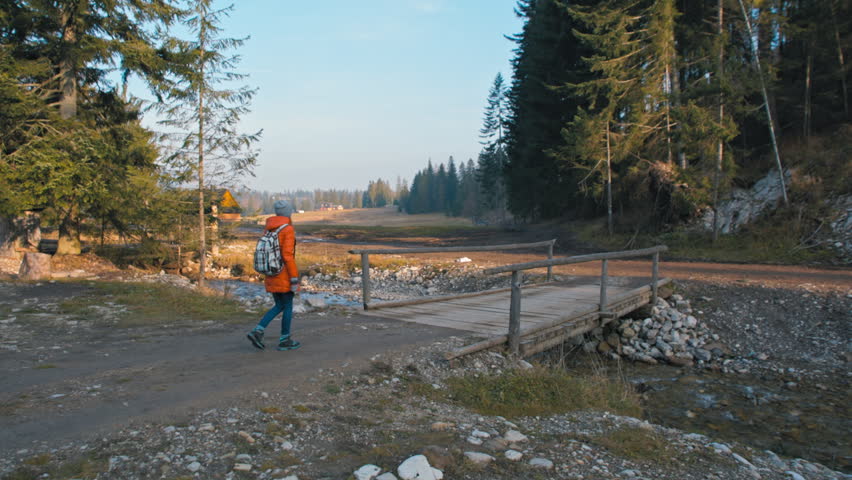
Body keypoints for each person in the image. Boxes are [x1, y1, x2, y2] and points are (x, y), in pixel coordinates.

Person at [247, 200, 301, 351]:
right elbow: (287, 256)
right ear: (288, 212)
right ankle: (284, 339)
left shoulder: (269, 229)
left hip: (270, 272)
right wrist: (294, 278)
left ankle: (258, 331)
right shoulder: (287, 229)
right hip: (283, 274)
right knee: (287, 306)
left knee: (279, 305)